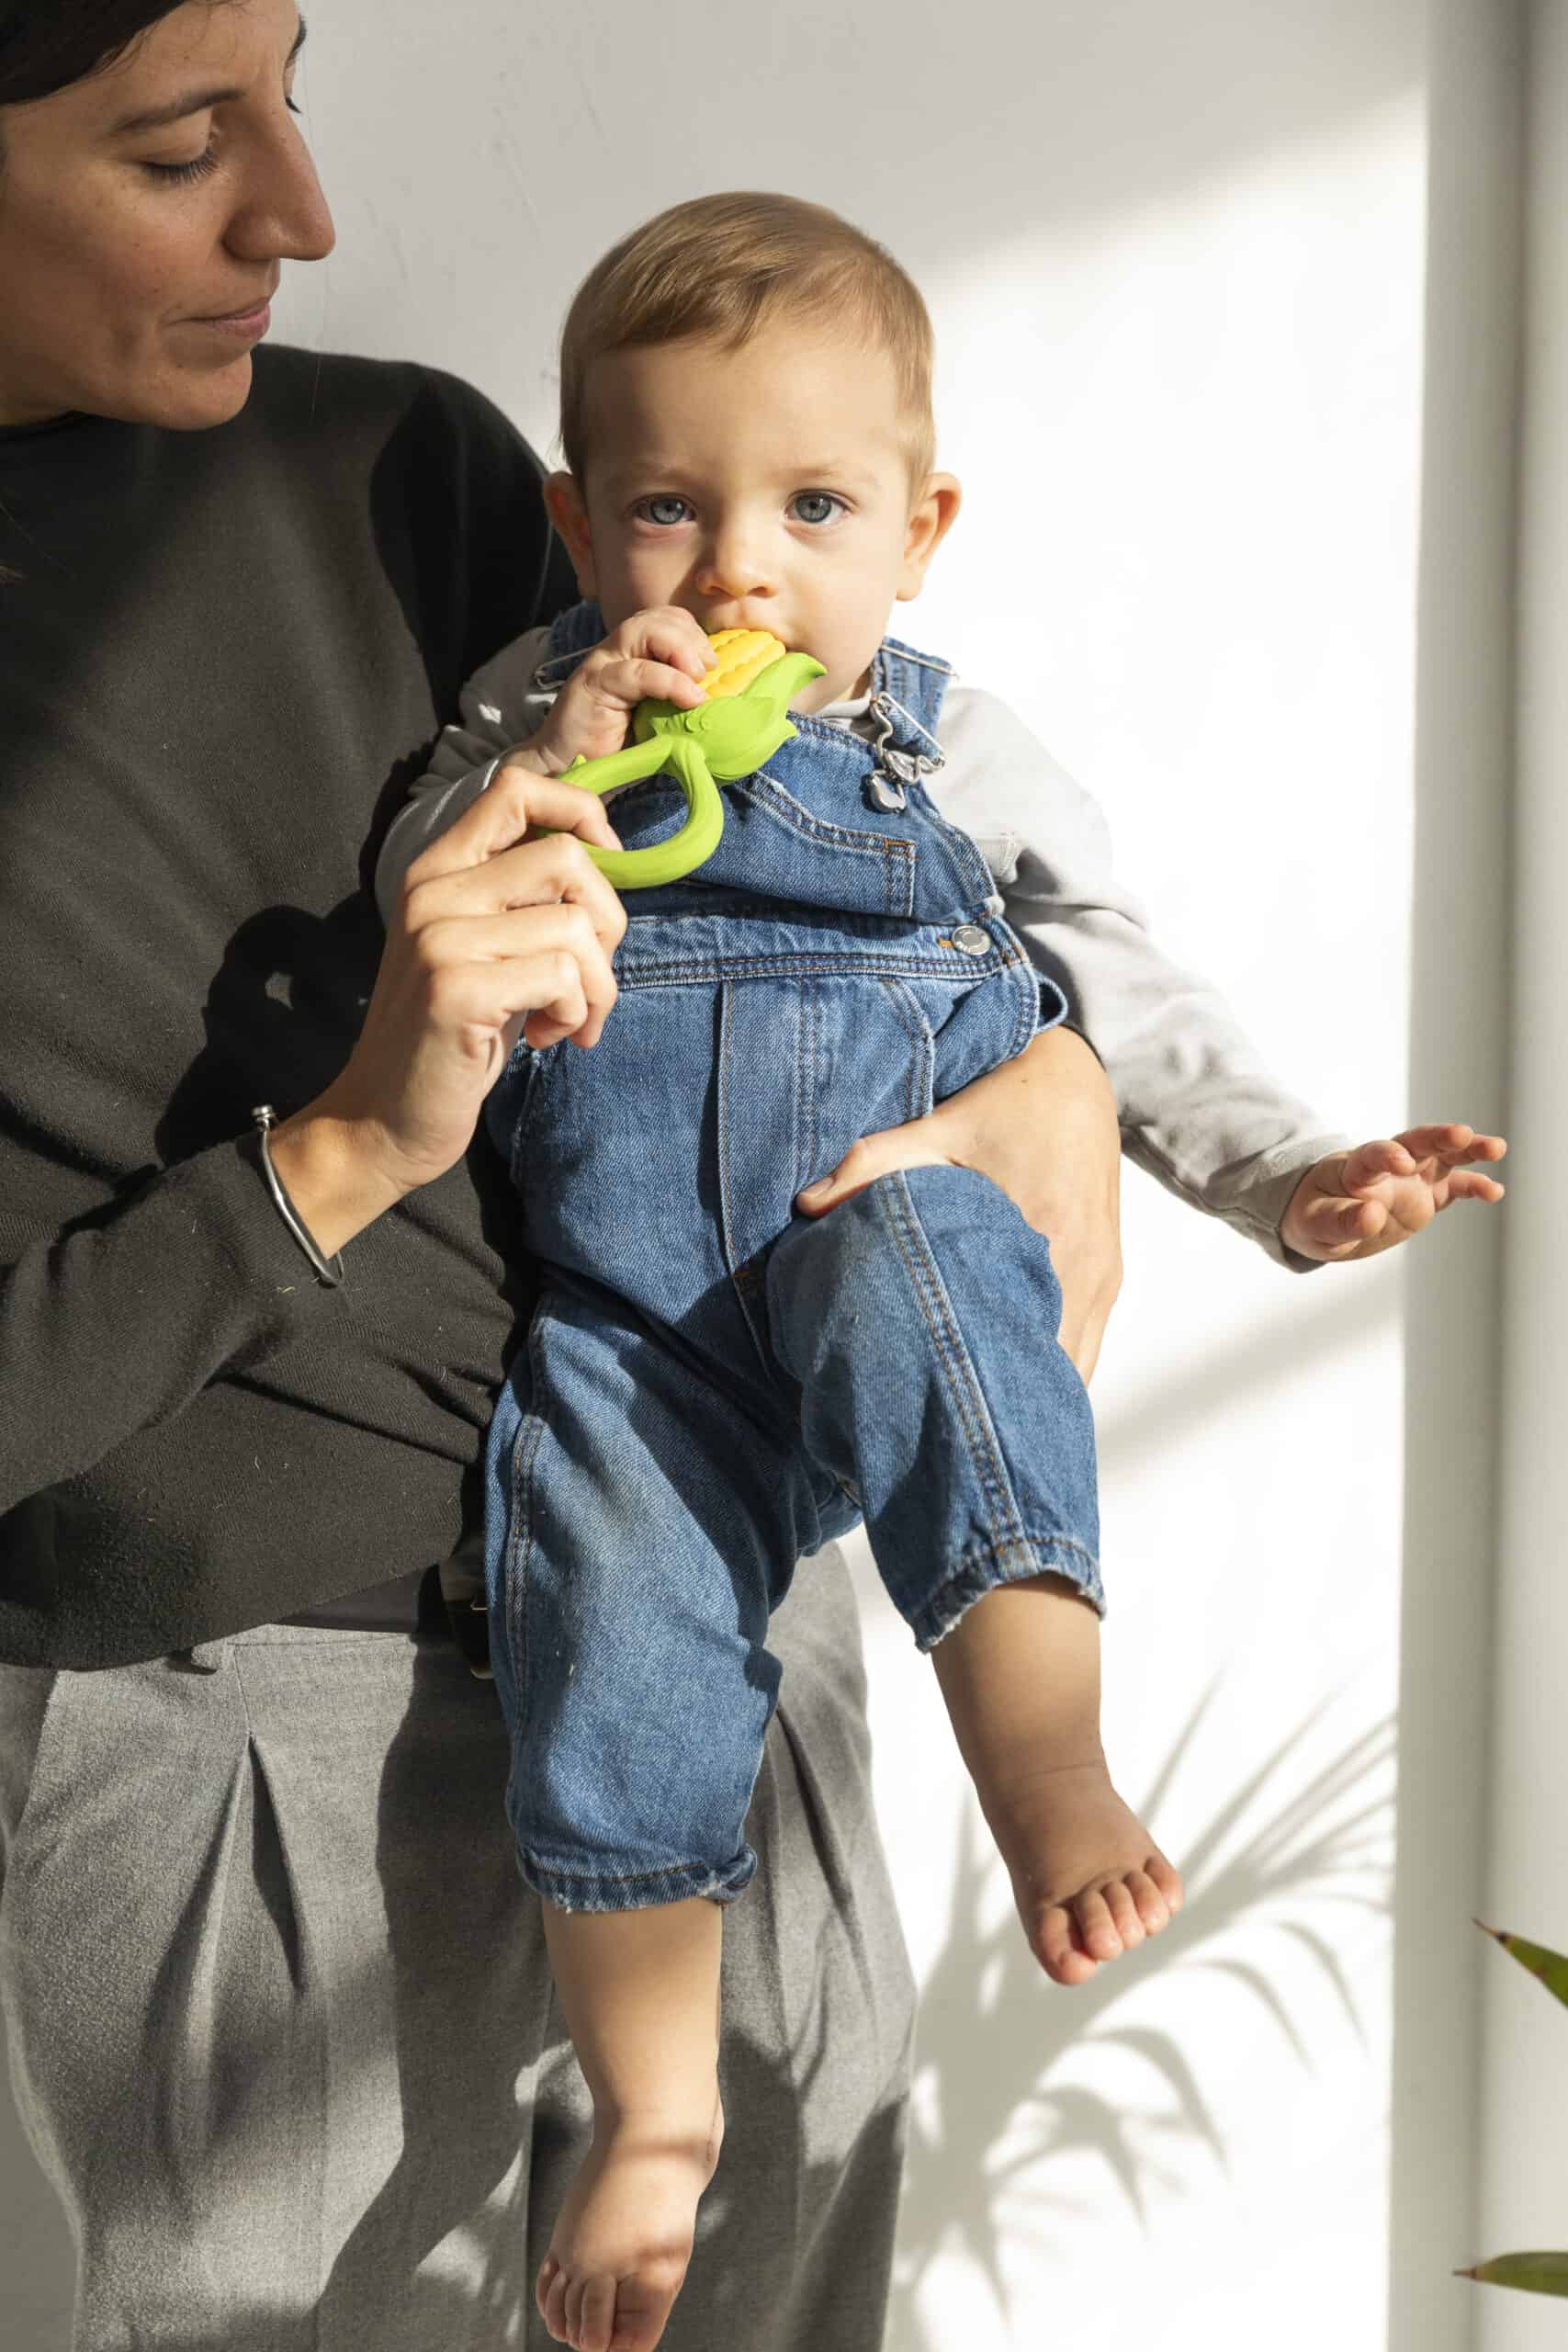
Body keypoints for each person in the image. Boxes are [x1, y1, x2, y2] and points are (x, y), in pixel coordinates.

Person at [0, 11, 1139, 2351]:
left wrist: (1053, 1072)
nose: (302, 213)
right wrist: (341, 1146)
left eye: (289, 91)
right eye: (182, 145)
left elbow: (813, 850)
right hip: (250, 1722)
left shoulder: (401, 468)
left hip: (721, 1605)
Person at [373, 191, 1507, 2352]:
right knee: (605, 1628)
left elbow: (1112, 981)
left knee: (936, 1277)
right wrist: (556, 768)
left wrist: (1284, 1172)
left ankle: (1041, 1756)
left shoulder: (944, 747)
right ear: (576, 522)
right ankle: (656, 2107)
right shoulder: (529, 709)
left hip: (865, 1230)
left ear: (919, 528)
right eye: (667, 508)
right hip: (632, 1331)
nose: (737, 569)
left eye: (811, 508)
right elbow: (413, 908)